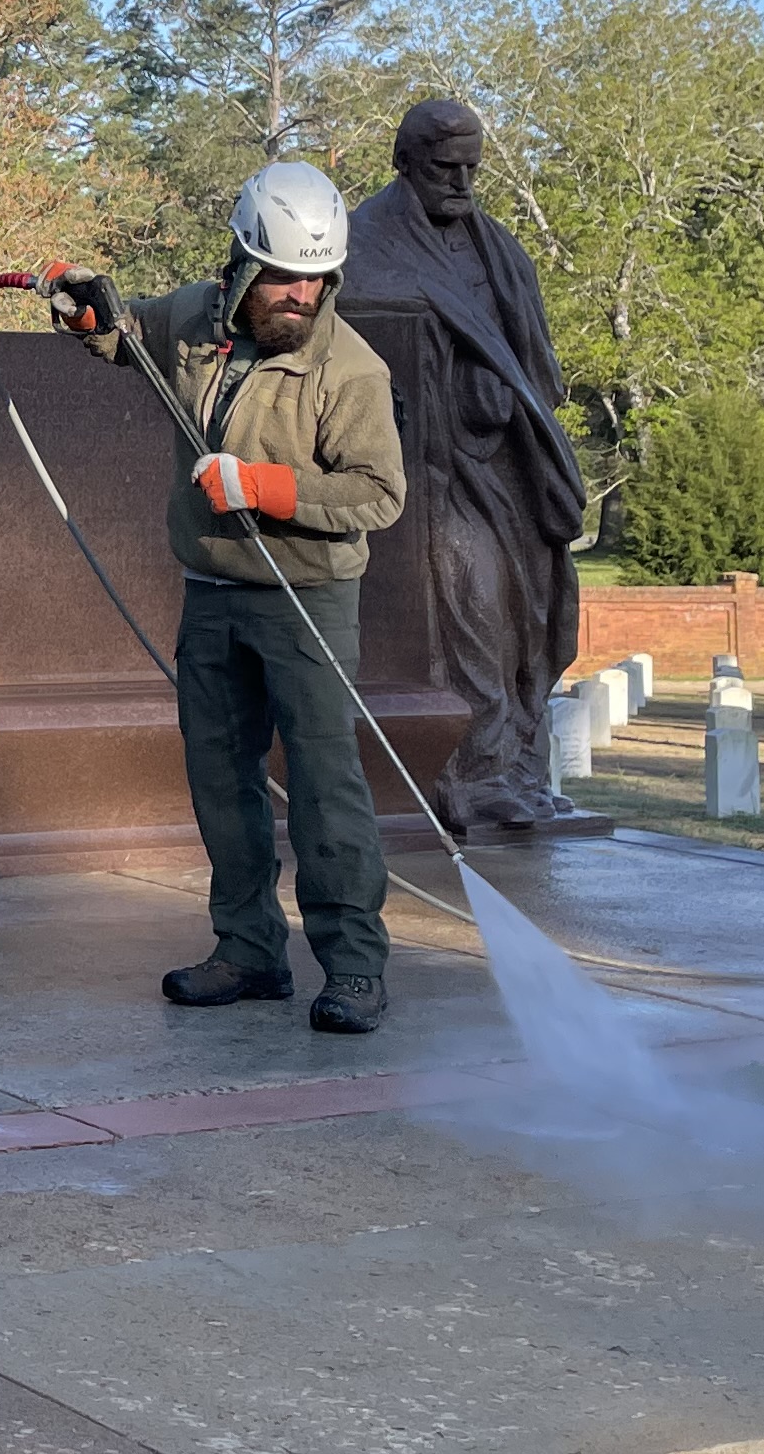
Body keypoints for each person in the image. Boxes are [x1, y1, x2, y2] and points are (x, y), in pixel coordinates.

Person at [48, 164, 409, 1031]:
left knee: (325, 786)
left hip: (308, 602)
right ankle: (248, 952)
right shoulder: (195, 319)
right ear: (240, 266)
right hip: (210, 594)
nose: (301, 295)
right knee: (220, 778)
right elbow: (128, 334)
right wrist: (90, 313)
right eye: (283, 276)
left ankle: (354, 966)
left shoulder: (350, 372)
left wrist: (266, 489)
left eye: (317, 280)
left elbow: (379, 495)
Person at [345, 101, 589, 834]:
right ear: (405, 163)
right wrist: (456, 383)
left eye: (470, 168)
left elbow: (533, 360)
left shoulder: (499, 249)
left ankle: (517, 767)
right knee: (469, 612)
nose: (460, 182)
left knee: (526, 622)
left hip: (510, 467)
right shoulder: (362, 245)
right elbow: (361, 353)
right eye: (443, 168)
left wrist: (505, 396)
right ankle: (474, 777)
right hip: (428, 477)